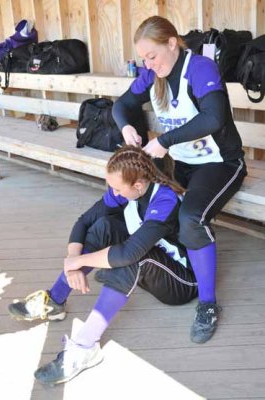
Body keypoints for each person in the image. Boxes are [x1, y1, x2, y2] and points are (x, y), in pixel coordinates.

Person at [8, 145, 198, 386]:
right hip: (150, 266)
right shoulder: (128, 190)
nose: (114, 193)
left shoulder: (165, 199)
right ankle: (54, 301)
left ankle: (85, 347)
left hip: (180, 282)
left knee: (132, 257)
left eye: (118, 188)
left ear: (138, 186)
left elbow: (129, 252)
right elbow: (85, 221)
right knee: (104, 226)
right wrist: (72, 264)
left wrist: (79, 261)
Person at [112, 16, 247, 344]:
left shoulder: (200, 68)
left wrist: (165, 142)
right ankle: (179, 271)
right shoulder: (151, 73)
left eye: (152, 56)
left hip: (220, 163)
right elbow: (122, 105)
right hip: (183, 164)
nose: (148, 63)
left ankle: (208, 304)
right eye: (143, 58)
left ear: (172, 43)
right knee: (140, 199)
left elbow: (213, 118)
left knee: (191, 216)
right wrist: (125, 126)